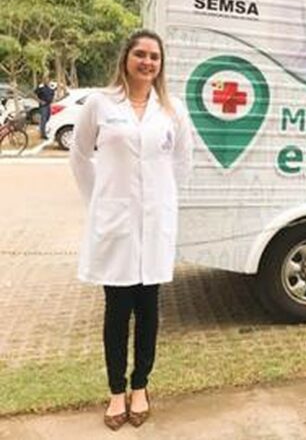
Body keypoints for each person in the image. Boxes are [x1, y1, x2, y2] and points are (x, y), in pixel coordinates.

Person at [69, 29, 193, 430]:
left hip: (154, 224)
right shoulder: (100, 104)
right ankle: (115, 392)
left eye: (154, 56)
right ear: (126, 58)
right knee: (117, 310)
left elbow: (180, 164)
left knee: (149, 309)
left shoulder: (172, 110)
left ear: (161, 64)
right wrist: (100, 202)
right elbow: (79, 157)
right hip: (115, 224)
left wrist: (163, 204)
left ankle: (140, 386)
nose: (147, 62)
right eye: (140, 54)